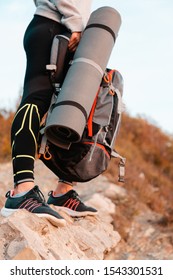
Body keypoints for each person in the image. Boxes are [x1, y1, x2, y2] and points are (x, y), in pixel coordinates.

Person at [1, 0, 97, 227]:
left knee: (73, 108)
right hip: (52, 26)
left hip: (70, 32)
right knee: (37, 99)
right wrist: (75, 22)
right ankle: (21, 190)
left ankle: (63, 192)